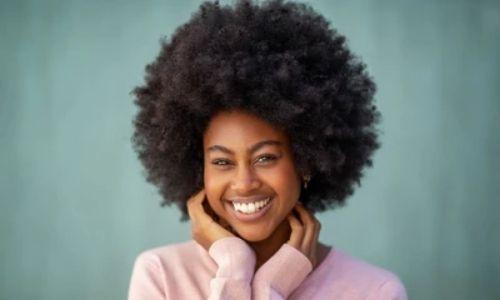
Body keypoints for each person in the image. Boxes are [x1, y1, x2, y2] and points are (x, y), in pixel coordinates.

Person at [127, 0, 408, 299]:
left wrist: (268, 285)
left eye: (265, 158)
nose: (244, 183)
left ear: (305, 162)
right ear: (199, 167)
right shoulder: (161, 275)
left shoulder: (375, 292)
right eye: (222, 162)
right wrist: (236, 269)